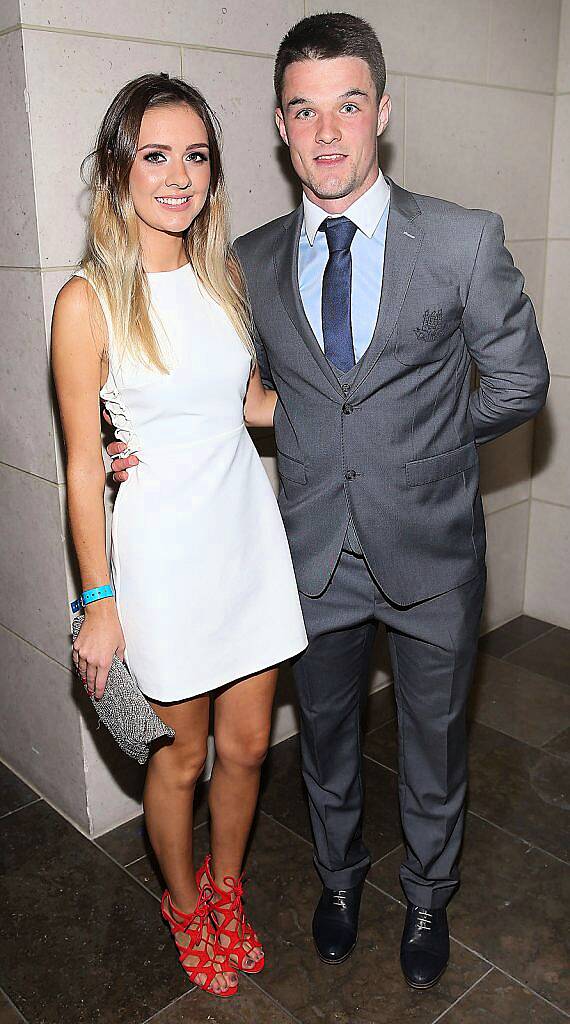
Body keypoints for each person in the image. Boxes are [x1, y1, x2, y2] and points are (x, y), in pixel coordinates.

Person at [109, 13, 550, 991]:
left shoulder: (463, 241)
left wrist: (422, 446)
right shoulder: (249, 262)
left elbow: (520, 383)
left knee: (434, 745)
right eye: (304, 112)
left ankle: (431, 892)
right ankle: (340, 880)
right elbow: (217, 380)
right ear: (279, 125)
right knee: (327, 743)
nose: (328, 133)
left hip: (431, 549)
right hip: (307, 555)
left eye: (348, 105)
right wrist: (129, 434)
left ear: (381, 112)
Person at [52, 73, 307, 1000]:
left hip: (247, 537)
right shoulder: (86, 304)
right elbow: (85, 464)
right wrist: (98, 602)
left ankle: (227, 889)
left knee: (247, 749)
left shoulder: (224, 276)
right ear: (120, 169)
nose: (178, 175)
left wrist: (343, 412)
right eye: (155, 154)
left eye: (195, 155)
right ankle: (182, 900)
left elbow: (246, 405)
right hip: (160, 555)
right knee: (183, 755)